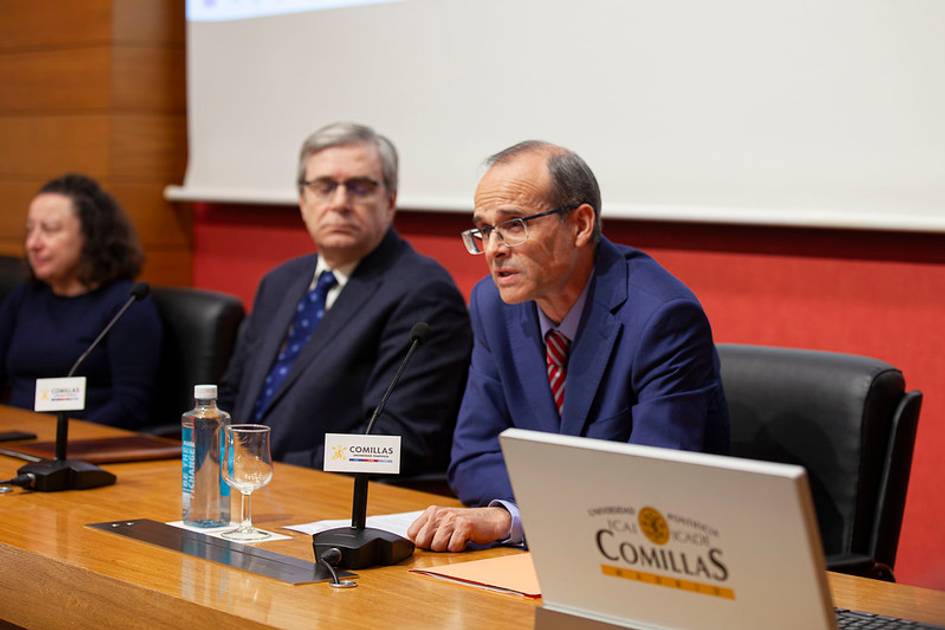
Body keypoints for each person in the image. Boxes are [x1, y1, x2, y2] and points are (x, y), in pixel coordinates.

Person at [408, 141, 730, 551]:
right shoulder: (492, 304)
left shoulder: (662, 319)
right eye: (484, 230)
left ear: (580, 225)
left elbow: (656, 485)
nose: (493, 249)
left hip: (659, 561)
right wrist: (514, 516)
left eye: (514, 225)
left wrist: (514, 518)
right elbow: (473, 456)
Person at [218, 122, 471, 476]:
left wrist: (273, 467)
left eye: (360, 188)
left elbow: (393, 441)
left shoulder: (422, 293)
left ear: (390, 200)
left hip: (322, 497)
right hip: (240, 487)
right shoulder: (280, 282)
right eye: (324, 187)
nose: (339, 203)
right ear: (303, 199)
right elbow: (233, 396)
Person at [0, 174, 162, 428]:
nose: (33, 243)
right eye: (30, 229)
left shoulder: (126, 304)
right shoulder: (26, 296)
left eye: (50, 230)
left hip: (83, 446)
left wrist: (64, 441)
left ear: (91, 235)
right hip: (16, 440)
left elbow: (131, 405)